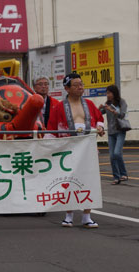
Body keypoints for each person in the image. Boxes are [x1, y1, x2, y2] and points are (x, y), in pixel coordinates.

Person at [47, 73, 105, 229]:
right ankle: (69, 215)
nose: (80, 87)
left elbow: (99, 119)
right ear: (67, 88)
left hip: (88, 149)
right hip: (69, 149)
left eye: (81, 84)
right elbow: (51, 129)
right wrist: (49, 149)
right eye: (76, 85)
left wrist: (100, 128)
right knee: (69, 181)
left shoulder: (90, 105)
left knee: (89, 181)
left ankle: (87, 215)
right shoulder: (59, 107)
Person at [99, 85, 129, 185]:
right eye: (106, 93)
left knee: (117, 153)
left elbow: (122, 114)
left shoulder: (122, 102)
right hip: (111, 132)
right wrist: (99, 109)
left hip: (120, 130)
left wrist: (112, 109)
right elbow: (99, 113)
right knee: (112, 156)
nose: (107, 95)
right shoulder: (107, 103)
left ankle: (123, 174)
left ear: (114, 93)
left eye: (109, 93)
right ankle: (116, 177)